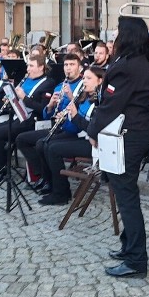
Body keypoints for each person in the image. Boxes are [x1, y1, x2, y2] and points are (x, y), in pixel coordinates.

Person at [87, 16, 149, 279]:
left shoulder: (128, 66)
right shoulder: (138, 61)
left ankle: (136, 261)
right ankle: (129, 248)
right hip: (135, 134)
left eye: (118, 31)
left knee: (127, 199)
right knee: (126, 193)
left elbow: (111, 106)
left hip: (127, 136)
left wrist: (93, 132)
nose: (114, 35)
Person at [17, 53, 85, 193]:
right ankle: (42, 175)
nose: (68, 68)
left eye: (72, 65)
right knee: (22, 139)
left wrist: (71, 98)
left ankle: (52, 182)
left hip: (74, 130)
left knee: (43, 143)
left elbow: (84, 110)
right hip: (57, 127)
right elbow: (47, 114)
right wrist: (50, 105)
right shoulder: (60, 86)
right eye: (66, 65)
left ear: (80, 68)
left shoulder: (83, 86)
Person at [39, 66, 105, 205]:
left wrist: (74, 116)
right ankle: (56, 187)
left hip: (95, 145)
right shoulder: (85, 97)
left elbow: (92, 129)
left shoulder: (100, 101)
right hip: (82, 137)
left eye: (89, 78)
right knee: (48, 144)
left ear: (99, 81)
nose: (84, 81)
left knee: (53, 149)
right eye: (84, 78)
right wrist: (64, 118)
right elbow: (79, 122)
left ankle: (61, 193)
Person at [0, 53, 54, 177]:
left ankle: (3, 169)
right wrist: (10, 98)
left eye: (31, 66)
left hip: (33, 121)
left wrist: (24, 97)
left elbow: (42, 108)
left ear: (41, 67)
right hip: (18, 117)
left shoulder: (48, 83)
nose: (28, 69)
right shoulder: (25, 80)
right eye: (27, 66)